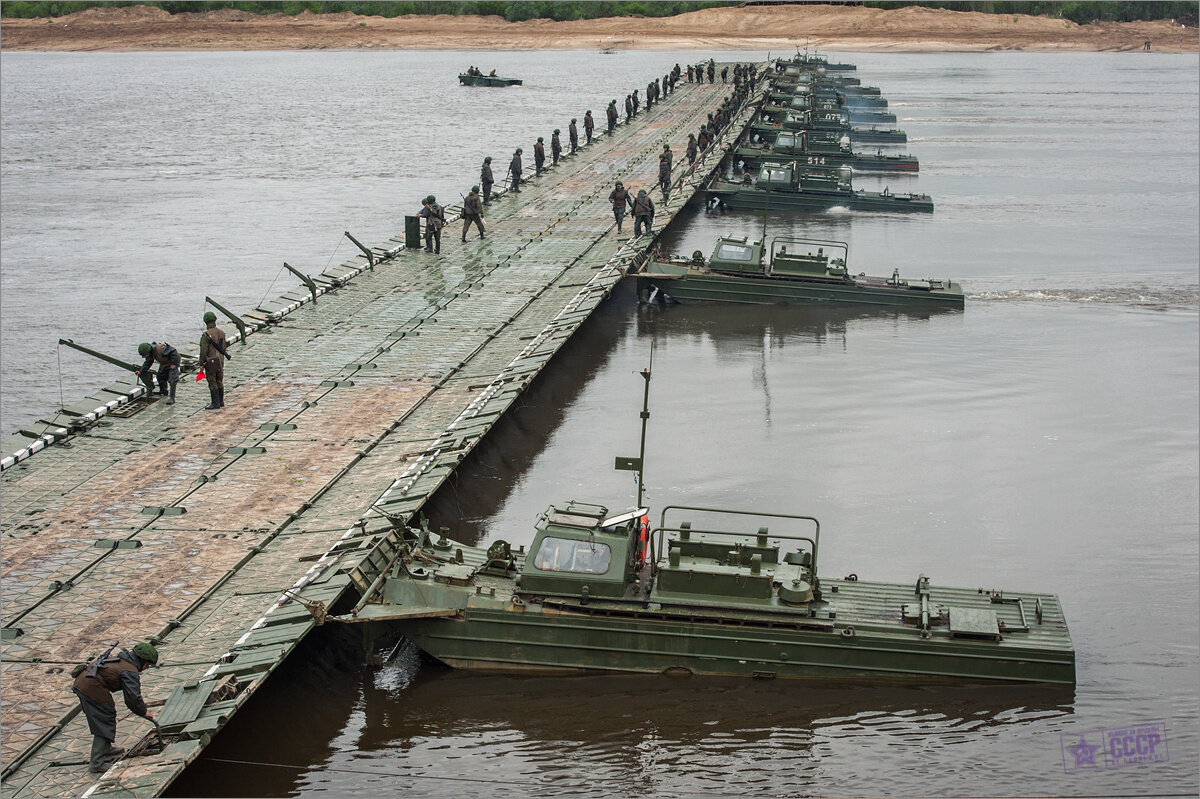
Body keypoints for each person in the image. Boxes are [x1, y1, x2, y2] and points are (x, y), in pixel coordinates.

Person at [72, 642, 157, 773]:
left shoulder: (120, 659)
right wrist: (143, 711)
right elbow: (132, 698)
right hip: (91, 687)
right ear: (142, 661)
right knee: (104, 719)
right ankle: (97, 763)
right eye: (147, 664)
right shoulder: (130, 670)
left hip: (82, 682)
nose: (146, 668)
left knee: (103, 718)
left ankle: (106, 750)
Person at [199, 311, 231, 410]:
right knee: (219, 380)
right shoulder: (221, 332)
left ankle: (215, 403)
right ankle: (221, 401)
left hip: (211, 361)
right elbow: (224, 347)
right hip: (221, 359)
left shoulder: (206, 335)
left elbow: (203, 351)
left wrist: (201, 364)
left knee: (212, 381)